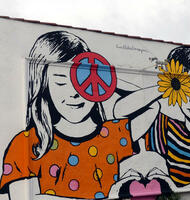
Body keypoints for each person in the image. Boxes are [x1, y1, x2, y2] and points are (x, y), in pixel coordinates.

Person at [0, 31, 133, 200]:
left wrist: (108, 80)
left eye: (83, 79)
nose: (74, 93)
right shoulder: (28, 143)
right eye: (61, 81)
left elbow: (153, 106)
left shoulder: (114, 134)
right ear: (44, 85)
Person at [113, 45, 190, 188]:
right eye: (185, 92)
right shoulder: (165, 129)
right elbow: (120, 112)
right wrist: (165, 87)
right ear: (176, 95)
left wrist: (177, 189)